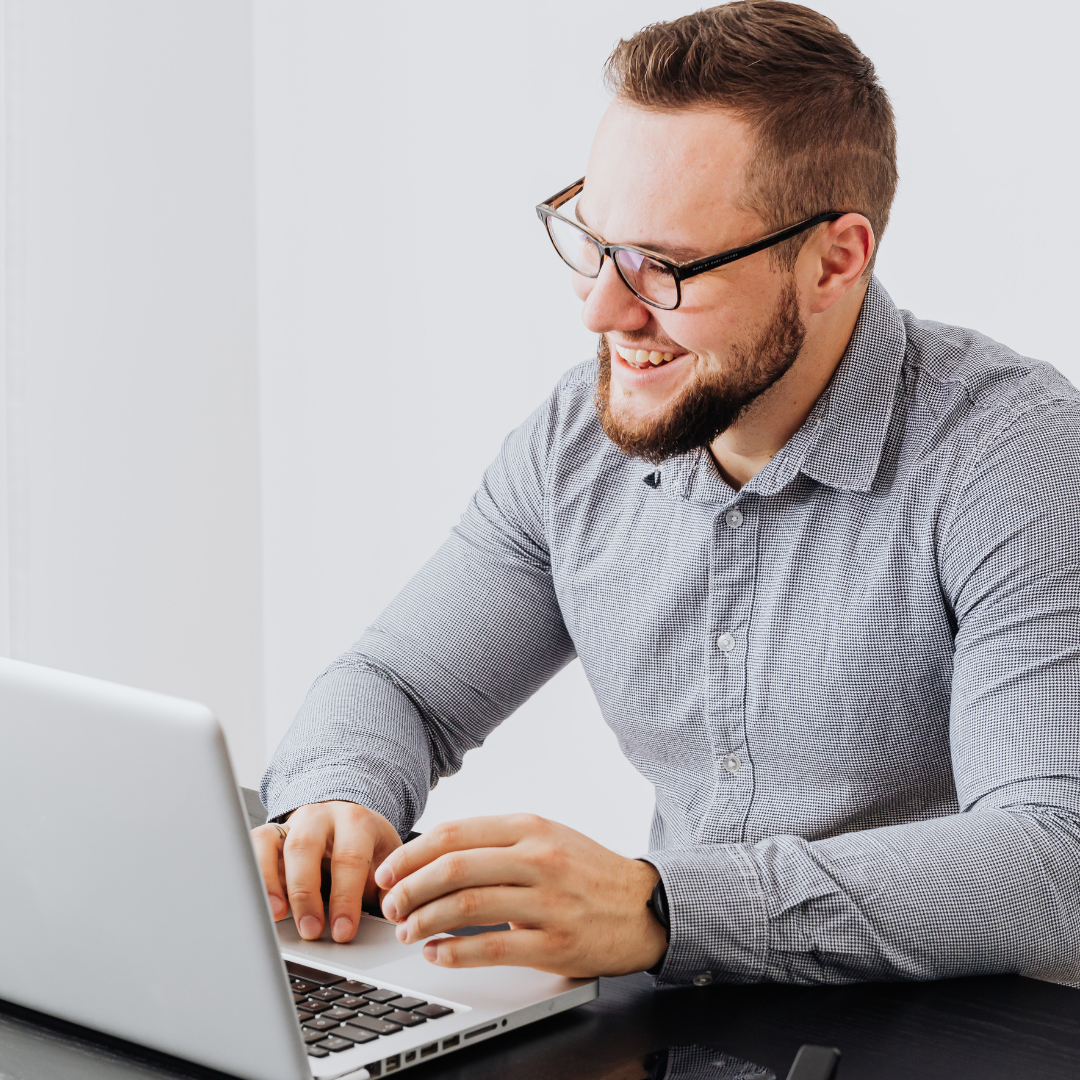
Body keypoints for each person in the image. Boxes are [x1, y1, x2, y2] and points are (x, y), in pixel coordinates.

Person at [254, 1, 1080, 986]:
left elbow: (1053, 862)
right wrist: (332, 805)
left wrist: (660, 906)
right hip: (686, 1024)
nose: (601, 308)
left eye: (668, 267)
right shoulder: (577, 437)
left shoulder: (1013, 454)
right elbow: (399, 688)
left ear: (835, 260)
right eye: (594, 240)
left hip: (969, 1038)